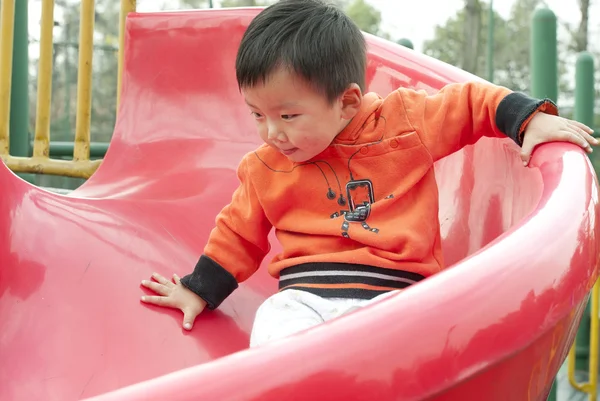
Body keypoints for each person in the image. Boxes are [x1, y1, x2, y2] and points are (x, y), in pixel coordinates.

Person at [140, 0, 597, 347]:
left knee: (408, 345)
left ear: (348, 102)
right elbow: (237, 234)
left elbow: (471, 103)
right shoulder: (264, 168)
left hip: (397, 296)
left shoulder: (401, 124)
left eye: (288, 115)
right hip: (305, 298)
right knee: (274, 331)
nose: (272, 132)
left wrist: (528, 120)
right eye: (257, 114)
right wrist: (198, 290)